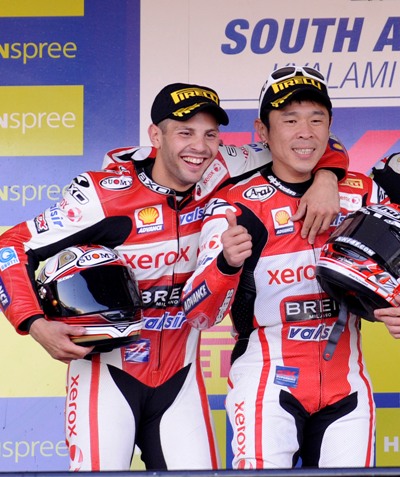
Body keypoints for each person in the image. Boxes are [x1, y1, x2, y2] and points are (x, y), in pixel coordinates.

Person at [0, 81, 348, 471]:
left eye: (210, 134)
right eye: (185, 133)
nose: (199, 147)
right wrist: (34, 324)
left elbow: (304, 144)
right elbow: (10, 245)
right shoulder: (103, 196)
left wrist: (326, 179)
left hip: (181, 379)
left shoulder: (223, 167)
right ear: (156, 135)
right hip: (107, 374)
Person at [182, 66, 390, 469]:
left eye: (316, 120)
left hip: (348, 386)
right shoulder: (235, 205)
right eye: (290, 120)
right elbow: (198, 314)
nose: (305, 132)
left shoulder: (364, 193)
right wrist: (225, 264)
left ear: (330, 126)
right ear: (262, 130)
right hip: (266, 383)